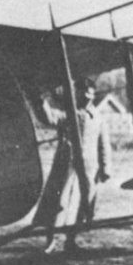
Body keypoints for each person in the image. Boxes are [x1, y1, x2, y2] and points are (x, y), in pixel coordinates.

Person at [34, 77, 111, 254]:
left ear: (93, 95)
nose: (86, 98)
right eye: (82, 94)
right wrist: (40, 100)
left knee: (85, 204)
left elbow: (104, 144)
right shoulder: (69, 114)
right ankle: (51, 240)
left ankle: (71, 240)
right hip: (67, 164)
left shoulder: (98, 118)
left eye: (89, 95)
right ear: (76, 94)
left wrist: (106, 168)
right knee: (59, 202)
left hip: (90, 168)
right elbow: (50, 117)